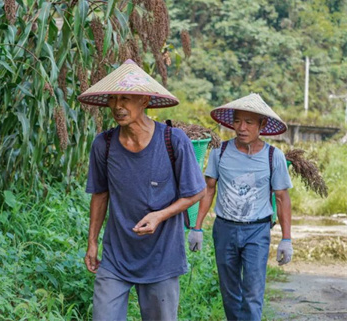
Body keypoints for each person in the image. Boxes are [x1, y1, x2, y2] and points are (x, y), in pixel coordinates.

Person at [78, 59, 206, 321]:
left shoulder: (173, 141)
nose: (117, 106)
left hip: (162, 258)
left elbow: (196, 192)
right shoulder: (104, 144)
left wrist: (160, 215)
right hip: (116, 257)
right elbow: (100, 195)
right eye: (113, 99)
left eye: (126, 98)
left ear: (145, 101)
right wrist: (92, 242)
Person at [188, 93, 294, 321]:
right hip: (225, 229)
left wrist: (286, 239)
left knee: (253, 292)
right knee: (230, 292)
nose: (241, 128)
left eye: (249, 122)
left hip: (257, 231)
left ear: (262, 125)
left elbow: (283, 198)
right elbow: (209, 189)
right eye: (237, 121)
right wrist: (197, 228)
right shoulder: (220, 153)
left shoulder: (273, 156)